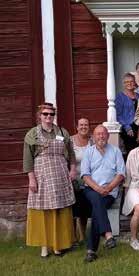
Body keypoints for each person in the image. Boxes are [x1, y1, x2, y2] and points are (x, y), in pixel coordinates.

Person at [23, 102, 76, 258]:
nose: (48, 117)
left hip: (60, 174)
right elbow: (27, 159)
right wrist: (31, 179)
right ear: (39, 116)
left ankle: (58, 245)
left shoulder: (62, 132)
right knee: (44, 210)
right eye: (45, 114)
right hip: (42, 175)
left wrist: (72, 169)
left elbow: (71, 154)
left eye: (51, 114)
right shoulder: (32, 134)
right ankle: (45, 246)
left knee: (60, 209)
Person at [81, 125, 125, 262]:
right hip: (91, 189)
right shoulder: (89, 152)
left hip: (109, 192)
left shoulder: (116, 151)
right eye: (98, 134)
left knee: (97, 208)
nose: (101, 136)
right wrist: (98, 188)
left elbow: (121, 174)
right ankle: (108, 235)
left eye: (103, 134)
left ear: (107, 136)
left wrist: (109, 187)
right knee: (96, 199)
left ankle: (91, 251)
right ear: (93, 137)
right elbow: (85, 175)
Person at [70, 118, 93, 243]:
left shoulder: (92, 141)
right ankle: (72, 237)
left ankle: (83, 236)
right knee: (73, 211)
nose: (84, 127)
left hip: (87, 181)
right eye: (81, 125)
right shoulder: (70, 141)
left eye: (86, 124)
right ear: (77, 127)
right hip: (73, 181)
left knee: (83, 210)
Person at [116, 73, 139, 157]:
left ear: (134, 83)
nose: (129, 83)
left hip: (138, 126)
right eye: (126, 82)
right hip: (127, 128)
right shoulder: (120, 96)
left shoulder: (138, 96)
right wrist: (127, 127)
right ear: (123, 84)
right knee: (131, 151)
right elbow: (118, 115)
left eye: (131, 81)